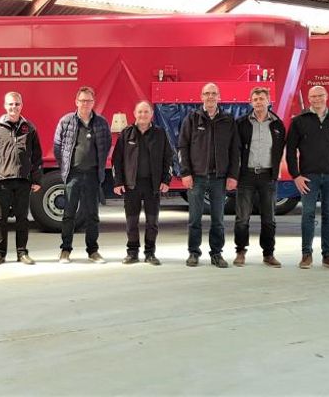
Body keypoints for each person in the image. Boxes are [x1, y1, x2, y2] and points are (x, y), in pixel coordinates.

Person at [286, 85, 329, 270]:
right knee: (307, 215)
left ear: (327, 96)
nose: (316, 99)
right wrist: (296, 176)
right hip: (309, 177)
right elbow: (290, 151)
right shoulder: (299, 121)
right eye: (313, 96)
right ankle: (306, 255)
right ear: (309, 98)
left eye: (320, 96)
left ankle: (328, 255)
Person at [178, 82, 239, 268]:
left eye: (214, 93)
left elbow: (234, 150)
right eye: (207, 93)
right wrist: (186, 172)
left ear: (219, 97)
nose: (210, 97)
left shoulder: (228, 120)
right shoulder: (192, 118)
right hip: (197, 178)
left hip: (220, 179)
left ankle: (217, 254)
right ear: (201, 96)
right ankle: (193, 253)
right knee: (194, 219)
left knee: (218, 220)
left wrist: (232, 175)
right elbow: (182, 147)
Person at [0, 92, 43, 265]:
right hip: (2, 180)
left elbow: (37, 156)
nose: (13, 107)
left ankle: (22, 253)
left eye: (16, 104)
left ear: (21, 105)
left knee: (22, 218)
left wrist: (37, 179)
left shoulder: (29, 128)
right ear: (4, 106)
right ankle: (0, 253)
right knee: (0, 219)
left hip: (23, 180)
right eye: (10, 104)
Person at [53, 86, 111, 264]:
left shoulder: (101, 123)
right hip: (73, 175)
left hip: (93, 175)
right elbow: (57, 146)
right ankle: (65, 250)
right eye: (82, 100)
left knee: (92, 214)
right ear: (76, 102)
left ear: (93, 103)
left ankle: (93, 251)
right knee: (69, 214)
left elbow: (106, 144)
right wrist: (66, 168)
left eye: (89, 101)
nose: (85, 104)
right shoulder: (66, 121)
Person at [112, 101, 174, 265]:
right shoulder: (126, 133)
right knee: (131, 222)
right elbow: (117, 160)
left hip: (152, 185)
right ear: (134, 113)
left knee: (152, 222)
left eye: (146, 112)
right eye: (140, 112)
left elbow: (168, 158)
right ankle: (132, 252)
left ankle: (150, 253)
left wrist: (166, 180)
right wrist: (118, 182)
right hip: (131, 185)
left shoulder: (160, 133)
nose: (143, 115)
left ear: (151, 114)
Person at [233, 87, 286, 267]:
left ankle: (268, 254)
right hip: (246, 176)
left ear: (268, 101)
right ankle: (240, 252)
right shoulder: (241, 123)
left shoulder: (278, 124)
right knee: (242, 218)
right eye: (255, 99)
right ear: (250, 102)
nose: (258, 102)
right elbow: (235, 150)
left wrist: (277, 171)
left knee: (269, 218)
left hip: (267, 176)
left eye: (261, 99)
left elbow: (281, 150)